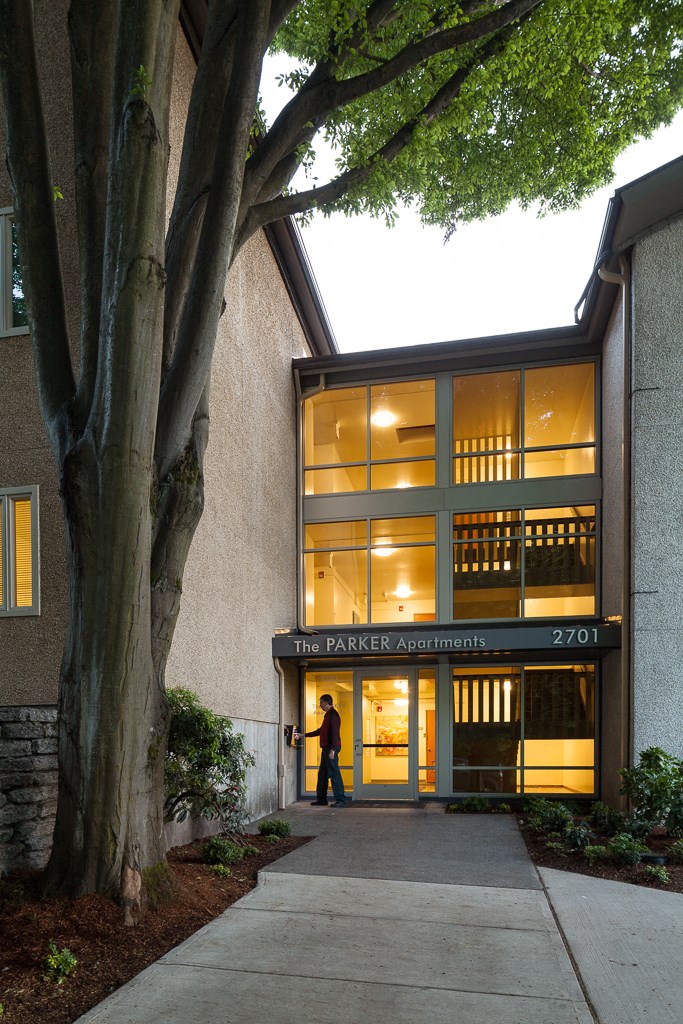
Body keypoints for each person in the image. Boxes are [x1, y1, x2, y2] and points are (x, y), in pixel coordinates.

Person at [295, 694, 347, 807]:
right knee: (323, 774)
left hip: (331, 748)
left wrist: (333, 750)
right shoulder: (327, 715)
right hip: (326, 748)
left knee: (334, 774)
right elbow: (321, 731)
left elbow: (335, 734)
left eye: (321, 703)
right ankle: (322, 799)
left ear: (327, 702)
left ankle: (341, 800)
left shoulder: (333, 715)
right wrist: (303, 735)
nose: (320, 705)